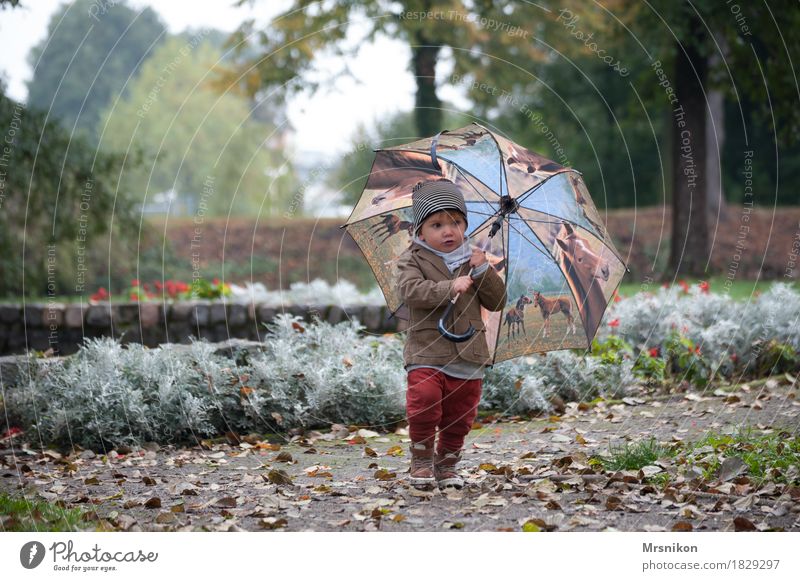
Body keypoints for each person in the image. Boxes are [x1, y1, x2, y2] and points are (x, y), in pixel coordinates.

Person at [396, 179, 507, 489]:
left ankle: (447, 463)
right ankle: (421, 458)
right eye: (437, 224)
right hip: (427, 351)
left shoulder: (475, 261)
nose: (448, 230)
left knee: (460, 415)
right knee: (425, 401)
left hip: (468, 353)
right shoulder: (411, 260)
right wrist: (449, 287)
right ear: (420, 232)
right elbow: (410, 291)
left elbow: (497, 302)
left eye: (456, 222)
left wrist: (483, 271)